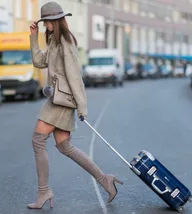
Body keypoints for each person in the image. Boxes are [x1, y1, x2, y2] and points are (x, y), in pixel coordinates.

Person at [27, 1, 123, 209]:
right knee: (64, 146)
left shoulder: (66, 43)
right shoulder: (54, 42)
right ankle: (104, 179)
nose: (45, 26)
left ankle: (44, 192)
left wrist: (82, 107)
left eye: (48, 22)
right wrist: (33, 38)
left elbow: (75, 76)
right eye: (44, 22)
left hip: (61, 101)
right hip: (57, 98)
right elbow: (38, 62)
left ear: (56, 21)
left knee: (38, 140)